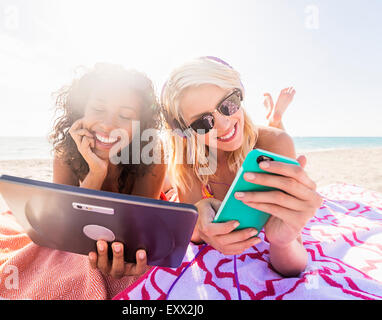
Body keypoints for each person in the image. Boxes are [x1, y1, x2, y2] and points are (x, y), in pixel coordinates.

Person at [160, 56, 322, 276]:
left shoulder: (275, 144)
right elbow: (194, 233)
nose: (224, 125)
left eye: (228, 104)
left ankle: (274, 117)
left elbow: (293, 268)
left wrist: (282, 242)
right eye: (202, 123)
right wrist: (199, 225)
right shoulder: (189, 162)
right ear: (185, 133)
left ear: (240, 93)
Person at [49, 63, 166, 279]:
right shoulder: (65, 155)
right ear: (80, 111)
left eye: (125, 115)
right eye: (98, 110)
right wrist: (96, 173)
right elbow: (66, 226)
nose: (108, 125)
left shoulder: (152, 156)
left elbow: (137, 233)